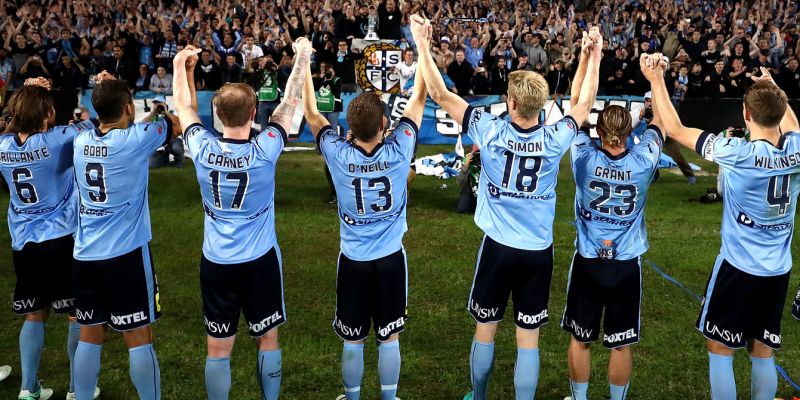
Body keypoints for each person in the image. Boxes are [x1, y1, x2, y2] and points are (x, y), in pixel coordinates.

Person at [414, 15, 601, 400]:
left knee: (486, 330)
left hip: (498, 247)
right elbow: (584, 103)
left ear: (511, 102)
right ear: (541, 106)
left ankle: (479, 395)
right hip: (537, 251)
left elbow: (439, 93)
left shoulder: (489, 129)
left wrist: (421, 41)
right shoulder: (555, 137)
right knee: (528, 339)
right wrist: (591, 55)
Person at [643, 55, 800, 399]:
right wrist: (774, 89)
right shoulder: (797, 148)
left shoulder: (737, 152)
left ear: (746, 114)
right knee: (763, 351)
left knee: (720, 349)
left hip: (738, 268)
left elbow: (675, 129)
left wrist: (656, 80)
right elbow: (792, 126)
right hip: (778, 270)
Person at [173, 38, 312, 400]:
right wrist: (302, 56)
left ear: (218, 115)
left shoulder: (201, 148)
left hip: (216, 261)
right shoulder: (265, 148)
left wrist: (180, 65)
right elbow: (290, 101)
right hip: (259, 260)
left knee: (218, 348)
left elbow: (183, 106)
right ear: (253, 115)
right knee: (267, 338)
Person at [302, 19, 427, 400]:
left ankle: (353, 396)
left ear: (350, 127)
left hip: (354, 259)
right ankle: (389, 397)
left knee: (353, 339)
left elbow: (312, 115)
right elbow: (419, 100)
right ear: (385, 123)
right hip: (390, 258)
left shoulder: (337, 153)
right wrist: (422, 47)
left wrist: (303, 63)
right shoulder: (400, 147)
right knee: (390, 336)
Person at [561, 52, 665, 400]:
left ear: (598, 130)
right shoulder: (644, 160)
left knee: (580, 339)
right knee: (621, 344)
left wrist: (587, 58)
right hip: (626, 263)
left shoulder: (583, 155)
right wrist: (655, 79)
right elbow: (661, 123)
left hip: (589, 259)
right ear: (629, 131)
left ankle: (580, 398)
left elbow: (576, 106)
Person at [70, 70, 179, 400]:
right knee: (138, 337)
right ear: (129, 108)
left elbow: (115, 125)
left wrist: (114, 92)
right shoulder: (136, 140)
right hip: (126, 254)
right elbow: (173, 125)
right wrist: (160, 110)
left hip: (85, 254)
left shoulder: (81, 140)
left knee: (89, 335)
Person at [0, 78, 99, 400]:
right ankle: (76, 389)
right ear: (46, 114)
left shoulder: (3, 146)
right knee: (76, 314)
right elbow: (93, 125)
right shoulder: (59, 139)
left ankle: (28, 388)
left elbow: (12, 128)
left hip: (23, 243)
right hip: (61, 238)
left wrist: (28, 94)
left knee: (34, 314)